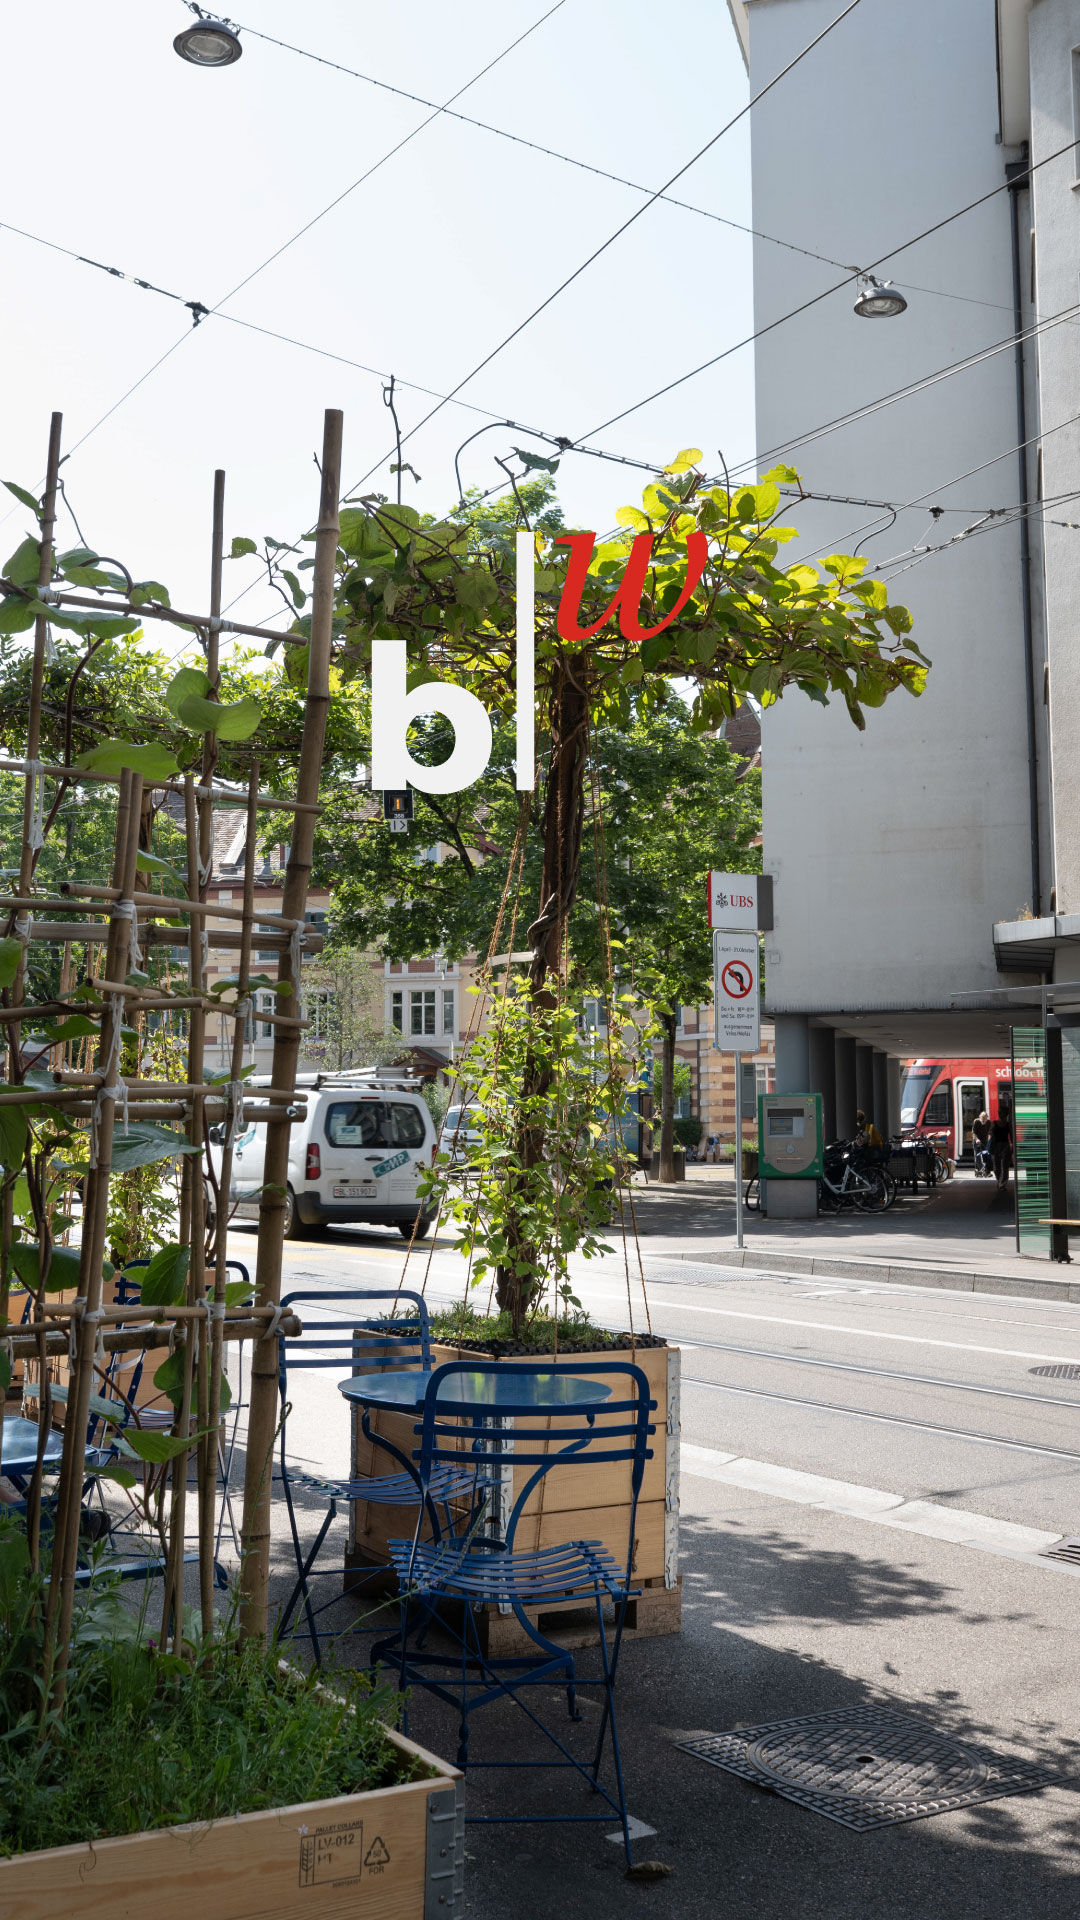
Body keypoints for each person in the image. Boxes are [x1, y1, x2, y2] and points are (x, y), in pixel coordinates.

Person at [990, 1108, 1013, 1190]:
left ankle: (1002, 1184)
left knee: (1004, 1166)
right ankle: (1000, 1181)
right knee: (996, 1167)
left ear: (1006, 1114)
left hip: (1005, 1146)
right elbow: (990, 1133)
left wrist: (1013, 1146)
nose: (1000, 1114)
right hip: (995, 1145)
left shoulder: (1008, 1124)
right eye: (999, 1112)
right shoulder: (994, 1123)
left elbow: (1011, 1136)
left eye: (1001, 1113)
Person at [971, 1110, 992, 1178]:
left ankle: (987, 1171)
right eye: (982, 1118)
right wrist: (976, 1139)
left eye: (985, 1118)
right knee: (977, 1156)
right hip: (977, 1140)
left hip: (985, 1140)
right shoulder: (976, 1121)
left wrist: (989, 1138)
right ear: (980, 1117)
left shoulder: (989, 1122)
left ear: (987, 1118)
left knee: (986, 1156)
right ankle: (978, 1171)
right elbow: (973, 1132)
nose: (983, 1120)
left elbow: (990, 1132)